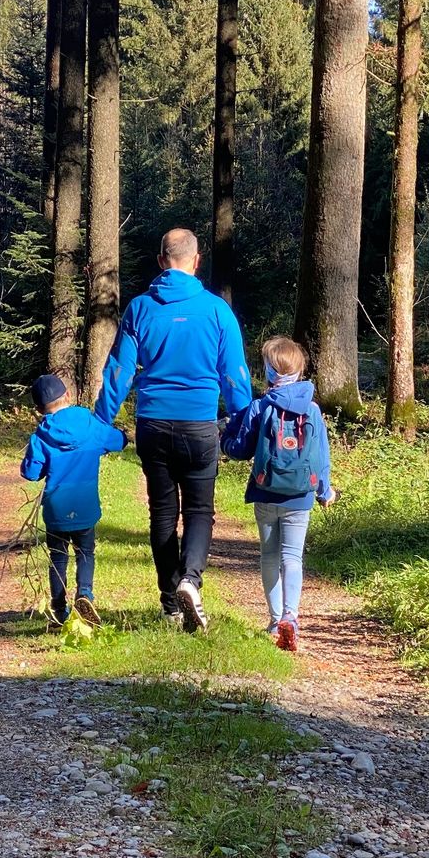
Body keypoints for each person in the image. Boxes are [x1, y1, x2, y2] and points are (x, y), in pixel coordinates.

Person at [95, 228, 252, 632]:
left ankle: (170, 604)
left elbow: (119, 372)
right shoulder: (217, 311)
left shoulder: (140, 309)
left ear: (161, 260)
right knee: (199, 510)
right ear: (195, 261)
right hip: (199, 426)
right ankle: (190, 581)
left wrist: (100, 423)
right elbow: (234, 375)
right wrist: (242, 423)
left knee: (162, 512)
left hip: (154, 425)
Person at [221, 336, 336, 652]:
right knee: (292, 557)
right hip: (301, 496)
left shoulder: (260, 406)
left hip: (265, 490)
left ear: (271, 373)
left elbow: (241, 449)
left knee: (269, 556)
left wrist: (225, 440)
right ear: (299, 373)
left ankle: (274, 621)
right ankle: (291, 616)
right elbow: (321, 457)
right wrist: (325, 491)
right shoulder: (312, 410)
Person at [20, 373, 128, 628]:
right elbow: (117, 441)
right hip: (85, 505)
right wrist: (125, 436)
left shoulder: (40, 436)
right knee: (85, 551)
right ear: (68, 395)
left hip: (57, 507)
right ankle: (85, 594)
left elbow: (31, 473)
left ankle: (59, 608)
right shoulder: (89, 425)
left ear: (38, 409)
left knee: (58, 557)